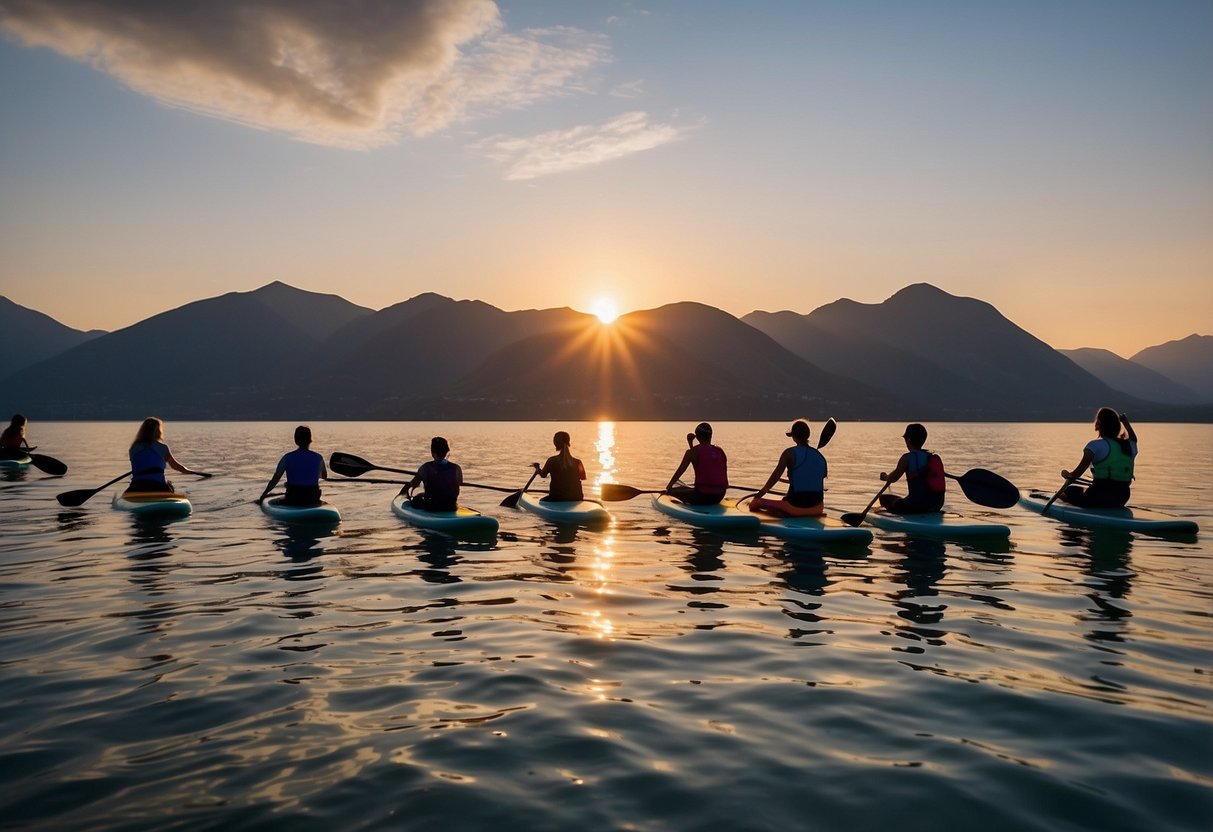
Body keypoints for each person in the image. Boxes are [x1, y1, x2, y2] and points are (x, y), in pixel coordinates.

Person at [1058, 407, 1137, 508]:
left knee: (1071, 490)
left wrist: (1067, 474)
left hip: (1098, 497)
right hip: (1122, 498)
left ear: (1098, 425)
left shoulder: (1094, 446)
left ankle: (1063, 498)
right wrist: (1125, 422)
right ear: (1118, 426)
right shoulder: (1129, 446)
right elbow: (1133, 438)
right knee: (1077, 489)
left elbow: (1076, 475)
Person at [749, 420, 826, 517]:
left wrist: (757, 496)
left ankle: (779, 512)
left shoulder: (789, 453)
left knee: (755, 504)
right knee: (785, 499)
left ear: (793, 437)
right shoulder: (820, 457)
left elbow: (774, 479)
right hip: (817, 508)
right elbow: (816, 478)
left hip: (795, 507)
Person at [127, 417, 211, 492]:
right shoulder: (163, 448)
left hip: (137, 487)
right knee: (170, 484)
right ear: (158, 431)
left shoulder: (133, 448)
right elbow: (177, 467)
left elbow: (137, 465)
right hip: (158, 486)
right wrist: (190, 471)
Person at [878, 423, 945, 514]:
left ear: (908, 440)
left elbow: (893, 478)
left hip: (915, 506)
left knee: (884, 498)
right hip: (937, 505)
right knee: (903, 499)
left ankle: (894, 514)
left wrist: (885, 477)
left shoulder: (907, 458)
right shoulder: (932, 457)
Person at [257, 425, 328, 506]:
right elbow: (324, 476)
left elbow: (275, 479)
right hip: (313, 498)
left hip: (293, 498)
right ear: (310, 440)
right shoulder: (319, 458)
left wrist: (264, 494)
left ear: (296, 440)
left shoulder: (287, 458)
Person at [665, 422, 728, 505]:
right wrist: (691, 444)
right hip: (720, 495)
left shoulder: (691, 453)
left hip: (701, 496)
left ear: (697, 437)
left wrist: (668, 488)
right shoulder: (720, 451)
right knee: (689, 489)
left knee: (672, 490)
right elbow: (703, 467)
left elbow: (680, 472)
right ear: (711, 436)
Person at [400, 436, 462, 512]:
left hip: (431, 507)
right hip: (451, 506)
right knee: (423, 495)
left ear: (432, 452)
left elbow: (414, 483)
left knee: (416, 498)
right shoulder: (456, 468)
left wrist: (406, 488)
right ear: (447, 451)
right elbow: (459, 482)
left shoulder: (425, 467)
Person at [532, 431, 586, 502]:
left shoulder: (552, 460)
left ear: (556, 444)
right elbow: (583, 477)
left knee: (541, 501)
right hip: (577, 497)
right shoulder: (578, 462)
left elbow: (543, 475)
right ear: (568, 442)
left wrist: (537, 468)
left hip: (556, 498)